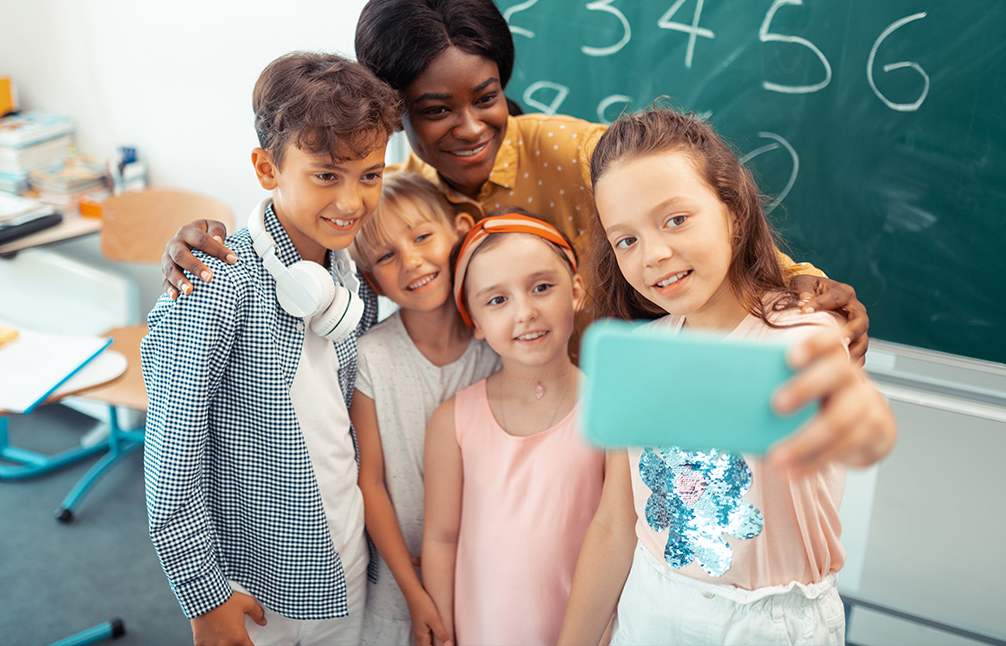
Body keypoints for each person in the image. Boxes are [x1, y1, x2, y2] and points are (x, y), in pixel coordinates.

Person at [158, 0, 872, 359]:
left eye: (487, 97)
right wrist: (206, 239)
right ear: (395, 112)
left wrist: (804, 282)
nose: (470, 128)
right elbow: (313, 236)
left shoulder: (568, 150)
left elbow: (695, 201)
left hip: (642, 388)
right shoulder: (395, 195)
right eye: (435, 109)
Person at [557, 107, 898, 646]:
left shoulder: (804, 335)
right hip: (649, 610)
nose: (656, 254)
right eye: (626, 240)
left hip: (770, 624)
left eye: (676, 219)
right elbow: (614, 525)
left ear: (734, 214)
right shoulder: (635, 352)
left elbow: (862, 431)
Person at [141, 52, 401, 646]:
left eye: (370, 175)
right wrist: (204, 596)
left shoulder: (350, 276)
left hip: (342, 553)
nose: (352, 200)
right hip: (257, 579)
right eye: (326, 175)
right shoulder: (214, 281)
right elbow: (170, 464)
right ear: (267, 169)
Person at [422, 212, 606, 646]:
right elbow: (441, 538)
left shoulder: (609, 411)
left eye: (542, 287)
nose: (525, 312)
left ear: (577, 291)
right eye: (497, 300)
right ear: (477, 324)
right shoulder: (453, 421)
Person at [345, 172, 500, 646]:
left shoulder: (498, 347)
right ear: (373, 280)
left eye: (422, 237)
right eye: (387, 256)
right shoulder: (371, 356)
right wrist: (414, 592)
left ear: (459, 230)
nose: (411, 261)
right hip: (399, 582)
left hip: (486, 569)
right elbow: (368, 481)